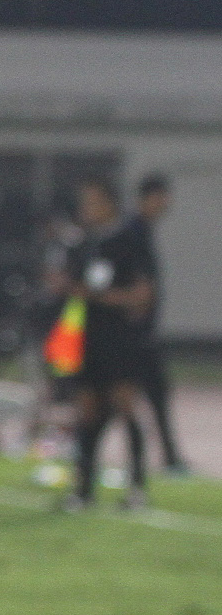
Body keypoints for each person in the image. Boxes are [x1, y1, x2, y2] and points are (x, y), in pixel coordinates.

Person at [57, 178, 156, 511]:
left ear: (111, 204)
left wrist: (97, 296)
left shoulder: (130, 241)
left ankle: (137, 487)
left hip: (121, 339)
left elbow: (142, 295)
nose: (87, 210)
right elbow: (75, 287)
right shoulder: (84, 243)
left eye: (93, 202)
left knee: (125, 407)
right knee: (86, 410)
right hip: (89, 338)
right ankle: (83, 490)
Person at [114, 175, 187, 475]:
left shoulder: (143, 230)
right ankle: (160, 461)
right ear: (147, 197)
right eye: (161, 196)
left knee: (152, 393)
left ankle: (168, 458)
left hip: (143, 332)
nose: (166, 203)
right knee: (123, 397)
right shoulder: (132, 232)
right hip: (132, 332)